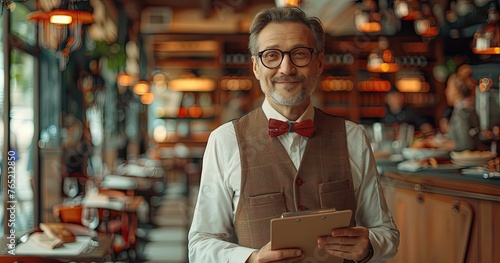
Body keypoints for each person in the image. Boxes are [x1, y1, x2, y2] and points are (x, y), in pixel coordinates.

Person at [188, 7, 399, 263]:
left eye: (300, 54)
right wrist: (251, 259)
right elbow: (200, 245)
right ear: (256, 66)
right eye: (272, 55)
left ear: (319, 63)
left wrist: (369, 246)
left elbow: (386, 233)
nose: (286, 69)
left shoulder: (353, 137)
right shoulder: (224, 141)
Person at [440, 65, 485, 152]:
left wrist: (439, 145)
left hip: (465, 162)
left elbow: (466, 144)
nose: (446, 91)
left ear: (456, 90)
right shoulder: (465, 109)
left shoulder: (462, 113)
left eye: (448, 87)